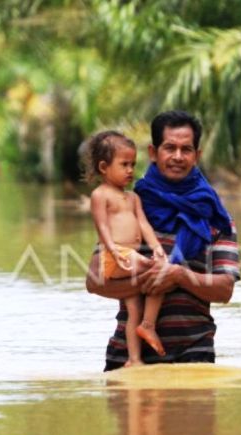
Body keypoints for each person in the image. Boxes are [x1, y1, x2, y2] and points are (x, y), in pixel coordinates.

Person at [85, 111, 240, 370]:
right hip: (127, 360)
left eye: (186, 149)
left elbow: (224, 289)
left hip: (194, 356)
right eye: (169, 148)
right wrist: (150, 280)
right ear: (153, 153)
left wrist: (178, 276)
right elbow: (94, 281)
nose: (178, 156)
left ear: (197, 156)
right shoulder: (128, 205)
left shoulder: (215, 215)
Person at [85, 131, 167, 367]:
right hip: (116, 256)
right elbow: (102, 227)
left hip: (130, 256)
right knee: (160, 272)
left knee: (134, 309)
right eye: (124, 165)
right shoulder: (100, 195)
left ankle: (134, 358)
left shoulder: (132, 198)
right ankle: (149, 326)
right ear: (103, 167)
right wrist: (112, 251)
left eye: (133, 164)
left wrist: (156, 247)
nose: (130, 170)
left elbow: (143, 224)